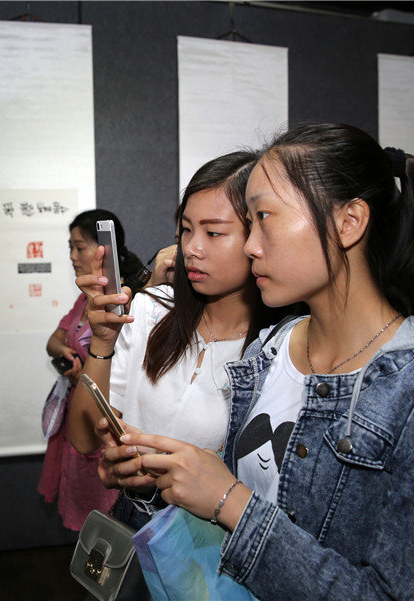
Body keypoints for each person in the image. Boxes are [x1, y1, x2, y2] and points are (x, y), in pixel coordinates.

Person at [119, 123, 414, 599]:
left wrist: (230, 502)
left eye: (264, 217)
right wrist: (160, 480)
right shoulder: (273, 348)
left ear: (349, 223)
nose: (250, 244)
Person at [69, 150, 290, 534]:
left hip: (212, 547)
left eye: (214, 232)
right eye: (186, 230)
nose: (192, 248)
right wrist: (102, 343)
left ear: (258, 236)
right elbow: (84, 438)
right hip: (133, 524)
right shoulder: (152, 310)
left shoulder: (276, 349)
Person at [39, 209, 142, 530]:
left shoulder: (128, 302)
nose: (72, 256)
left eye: (79, 247)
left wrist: (92, 363)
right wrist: (67, 353)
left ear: (103, 252)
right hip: (76, 413)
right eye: (70, 247)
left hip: (105, 420)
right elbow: (54, 339)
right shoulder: (86, 301)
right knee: (81, 495)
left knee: (107, 509)